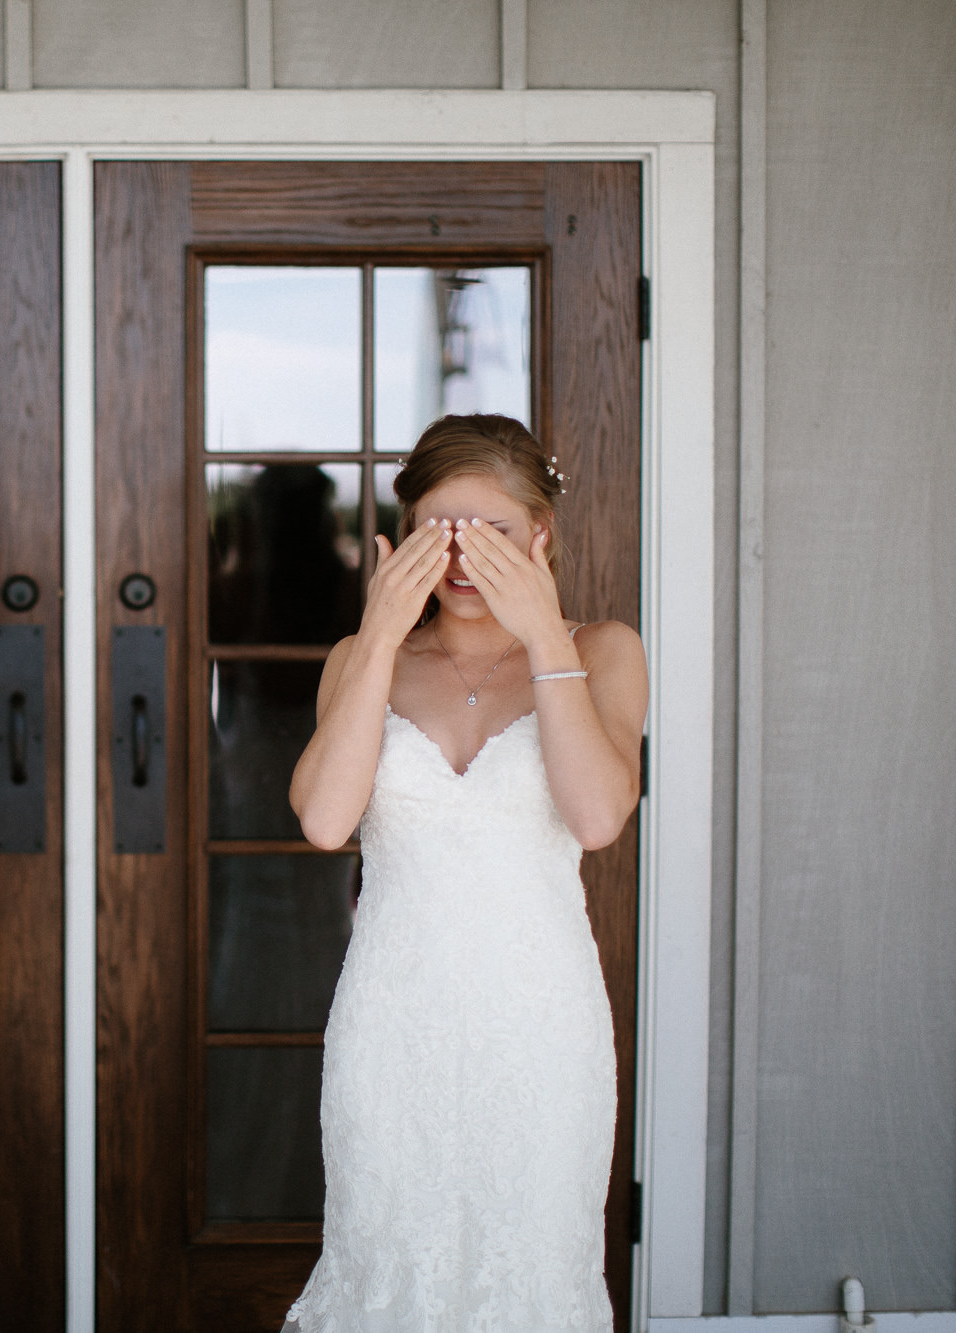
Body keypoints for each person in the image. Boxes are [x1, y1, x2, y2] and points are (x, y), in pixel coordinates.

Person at [284, 414, 647, 1333]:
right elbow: (327, 819)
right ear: (404, 538)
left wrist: (543, 639)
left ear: (541, 537)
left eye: (489, 531)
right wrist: (375, 636)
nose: (460, 557)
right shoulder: (363, 662)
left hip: (541, 1032)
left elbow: (599, 816)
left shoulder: (603, 650)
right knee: (387, 1265)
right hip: (393, 1026)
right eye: (437, 530)